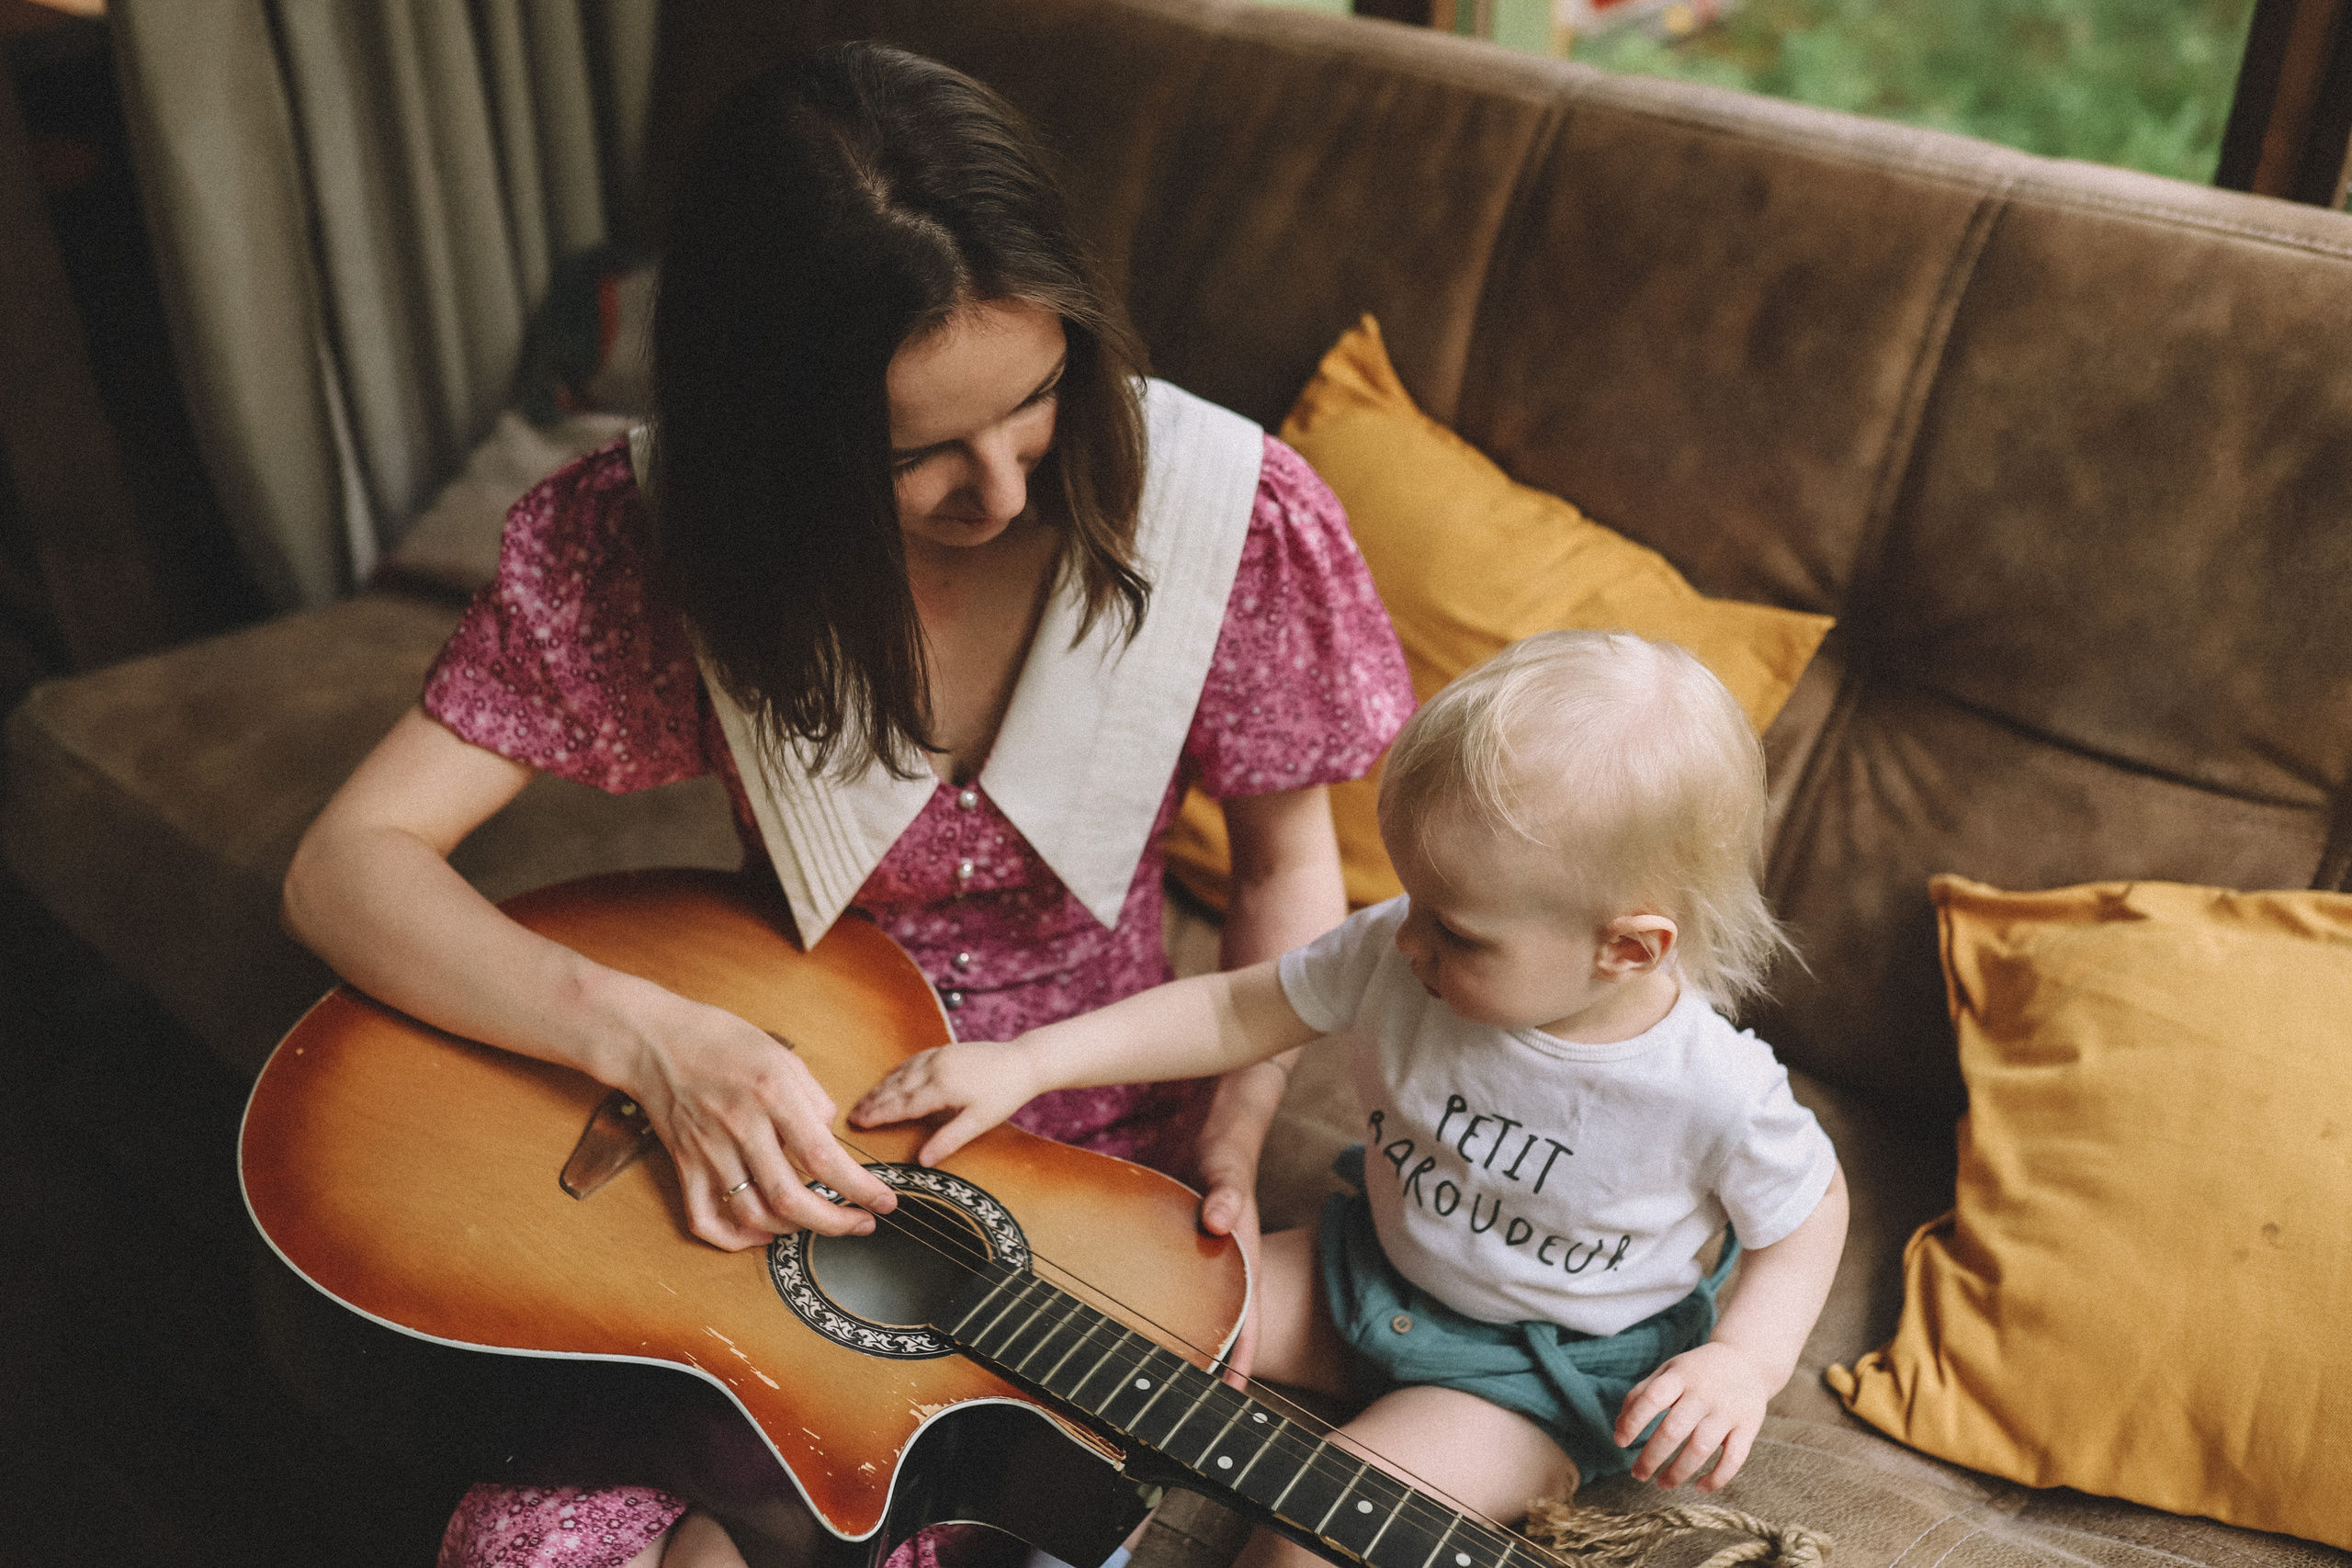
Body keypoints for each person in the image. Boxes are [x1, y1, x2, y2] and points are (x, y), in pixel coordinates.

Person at [279, 41, 1412, 1568]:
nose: (1005, 489)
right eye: (918, 452)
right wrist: (657, 1040)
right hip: (763, 1112)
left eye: (1038, 398)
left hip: (1078, 1142)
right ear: (774, 442)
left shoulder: (1233, 512)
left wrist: (1242, 1113)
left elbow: (1288, 862)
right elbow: (348, 863)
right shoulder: (666, 541)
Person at [854, 630, 1849, 1555]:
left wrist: (1745, 1365)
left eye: (1456, 931)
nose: (1405, 938)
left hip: (1538, 1379)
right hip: (1362, 1276)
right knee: (1095, 1319)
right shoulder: (1398, 947)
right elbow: (1239, 1009)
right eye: (1413, 899)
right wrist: (1028, 1061)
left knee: (1320, 1527)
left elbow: (1807, 1215)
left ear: (1626, 950)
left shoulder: (1709, 1088)